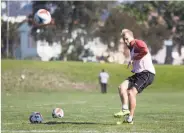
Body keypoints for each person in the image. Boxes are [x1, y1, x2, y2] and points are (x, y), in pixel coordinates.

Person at [114, 29, 156, 124]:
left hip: (147, 73)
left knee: (131, 93)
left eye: (127, 39)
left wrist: (134, 59)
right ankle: (125, 109)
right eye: (124, 40)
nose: (126, 41)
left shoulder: (137, 42)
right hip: (138, 74)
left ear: (131, 36)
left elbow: (144, 50)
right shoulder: (131, 48)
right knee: (121, 87)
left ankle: (130, 119)